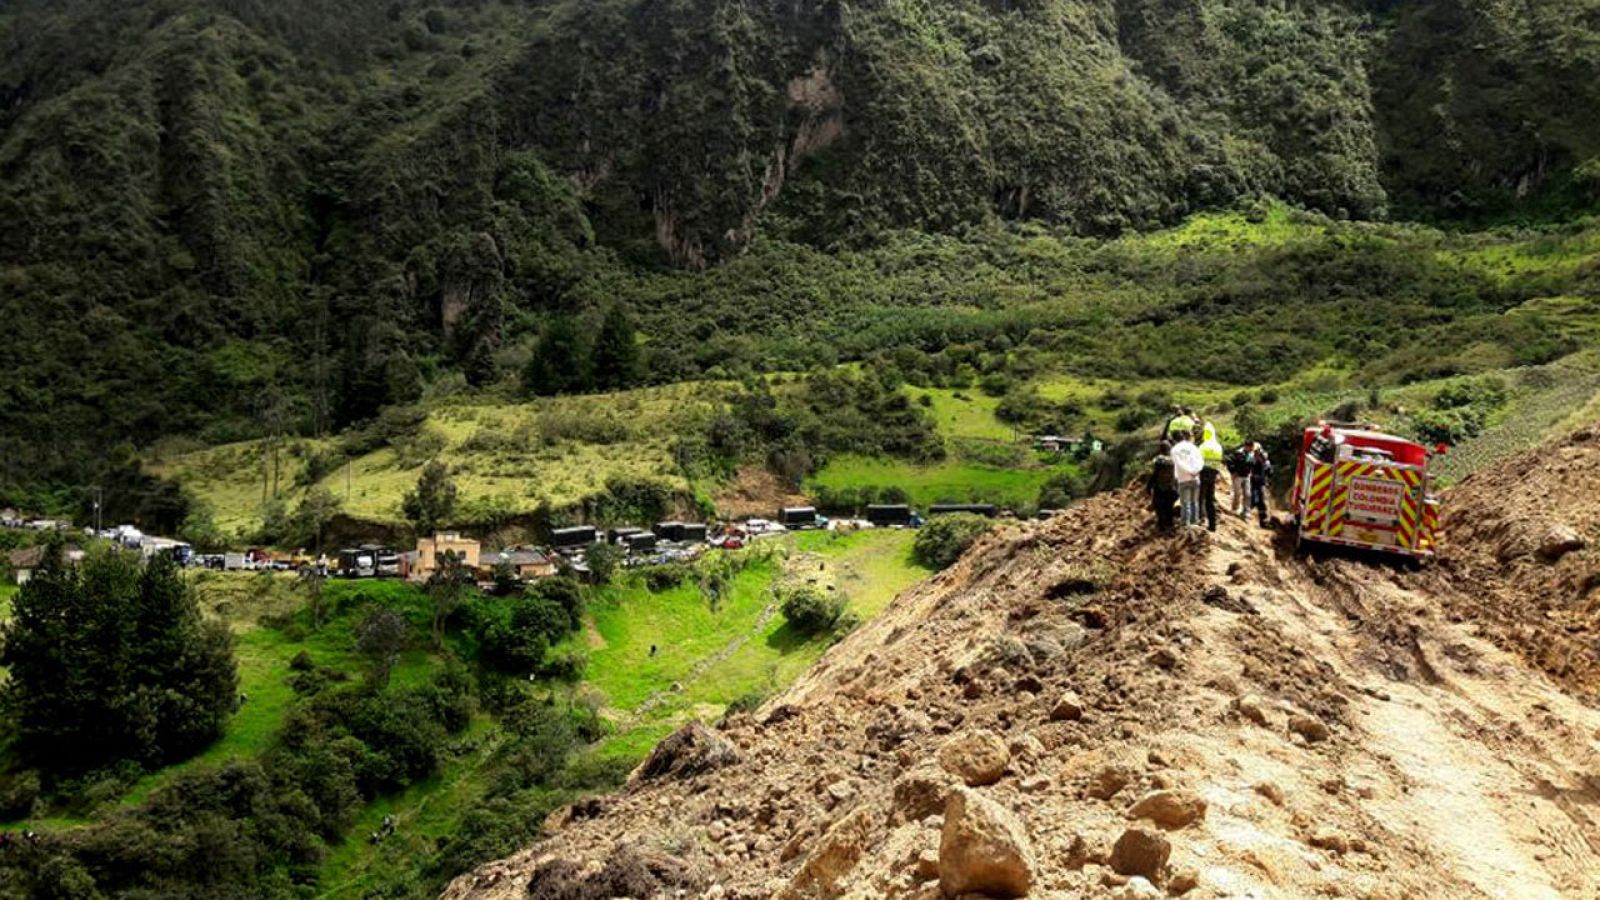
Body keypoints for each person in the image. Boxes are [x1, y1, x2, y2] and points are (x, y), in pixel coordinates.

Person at [1172, 431, 1204, 528]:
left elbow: (1179, 464)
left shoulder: (1175, 450)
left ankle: (1186, 522)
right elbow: (1201, 460)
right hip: (1195, 477)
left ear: (1174, 439)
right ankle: (1195, 521)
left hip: (1183, 478)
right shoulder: (1193, 447)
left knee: (1185, 502)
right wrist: (1195, 471)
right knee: (1194, 501)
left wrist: (1189, 471)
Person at [1199, 423, 1224, 532]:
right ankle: (1212, 525)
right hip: (1213, 474)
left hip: (1203, 473)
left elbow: (1198, 461)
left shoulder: (1203, 446)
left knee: (1200, 498)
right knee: (1210, 499)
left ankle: (1200, 519)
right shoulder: (1218, 446)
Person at [1148, 440, 1179, 532]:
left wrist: (1149, 486)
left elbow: (1154, 474)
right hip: (1171, 487)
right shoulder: (1173, 460)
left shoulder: (1158, 460)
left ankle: (1161, 525)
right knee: (1169, 507)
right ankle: (1170, 525)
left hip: (1160, 487)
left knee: (1160, 507)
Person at [1226, 441, 1253, 518]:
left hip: (1247, 476)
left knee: (1247, 494)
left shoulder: (1251, 455)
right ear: (1246, 446)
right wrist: (1233, 471)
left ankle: (1246, 511)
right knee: (1237, 493)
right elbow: (1229, 461)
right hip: (1238, 476)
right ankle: (1235, 508)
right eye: (1250, 447)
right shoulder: (1238, 453)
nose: (1251, 448)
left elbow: (1252, 465)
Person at [1249, 442, 1273, 527]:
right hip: (1252, 482)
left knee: (1261, 502)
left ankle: (1263, 521)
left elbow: (1269, 472)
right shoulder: (1251, 458)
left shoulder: (1264, 460)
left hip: (1261, 483)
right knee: (1253, 499)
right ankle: (1246, 516)